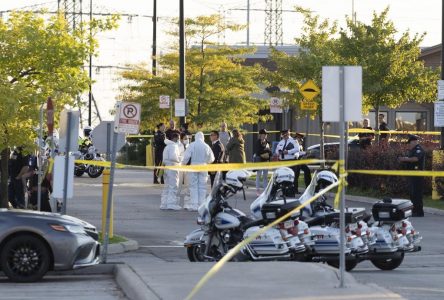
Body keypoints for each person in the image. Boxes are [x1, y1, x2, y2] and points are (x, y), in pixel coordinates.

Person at [181, 131, 215, 211]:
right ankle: (201, 204)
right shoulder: (206, 146)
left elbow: (186, 157)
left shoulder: (192, 145)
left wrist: (183, 164)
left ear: (196, 137)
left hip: (194, 167)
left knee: (193, 186)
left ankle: (194, 204)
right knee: (202, 187)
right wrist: (205, 162)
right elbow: (212, 159)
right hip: (203, 167)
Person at [398, 135, 425, 217]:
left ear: (414, 141)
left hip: (418, 175)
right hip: (412, 174)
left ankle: (419, 212)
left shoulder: (418, 149)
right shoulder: (412, 150)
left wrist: (404, 159)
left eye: (409, 143)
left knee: (417, 194)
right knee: (413, 194)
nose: (409, 145)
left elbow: (415, 159)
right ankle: (414, 211)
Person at [160, 132, 182, 210]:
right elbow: (173, 157)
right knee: (173, 186)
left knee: (167, 186)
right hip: (173, 167)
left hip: (166, 167)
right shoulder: (174, 146)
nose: (179, 140)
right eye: (179, 138)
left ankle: (164, 203)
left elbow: (165, 158)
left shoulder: (167, 146)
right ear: (175, 138)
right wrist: (180, 159)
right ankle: (171, 204)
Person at [274, 129, 300, 195]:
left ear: (288, 134)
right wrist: (279, 152)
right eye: (283, 135)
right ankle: (284, 192)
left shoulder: (294, 141)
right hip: (282, 161)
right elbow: (276, 151)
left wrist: (288, 152)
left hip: (291, 161)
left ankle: (291, 193)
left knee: (290, 176)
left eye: (285, 135)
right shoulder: (281, 142)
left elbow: (297, 149)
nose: (284, 136)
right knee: (283, 176)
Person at [254, 129, 272, 196]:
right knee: (258, 175)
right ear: (260, 135)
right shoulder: (258, 142)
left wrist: (268, 152)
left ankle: (265, 191)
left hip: (266, 161)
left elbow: (270, 152)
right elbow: (257, 151)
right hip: (260, 161)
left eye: (266, 134)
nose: (265, 136)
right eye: (264, 134)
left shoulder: (268, 142)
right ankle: (257, 190)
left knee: (265, 177)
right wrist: (266, 150)